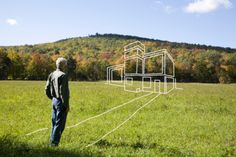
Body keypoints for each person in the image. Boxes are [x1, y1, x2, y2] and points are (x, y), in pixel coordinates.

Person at [45, 57, 70, 147]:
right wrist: (66, 105)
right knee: (59, 124)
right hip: (61, 102)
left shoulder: (52, 74)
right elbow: (64, 92)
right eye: (66, 64)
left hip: (54, 100)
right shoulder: (63, 75)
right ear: (64, 65)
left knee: (54, 122)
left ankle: (52, 141)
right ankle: (54, 144)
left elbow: (46, 88)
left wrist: (52, 98)